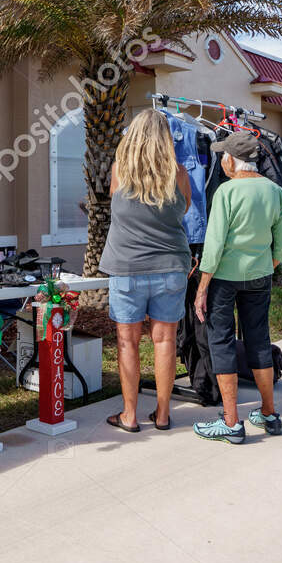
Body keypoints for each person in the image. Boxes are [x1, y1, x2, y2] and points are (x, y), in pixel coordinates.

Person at [193, 130, 282, 442]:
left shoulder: (227, 192)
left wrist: (202, 287)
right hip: (260, 276)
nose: (222, 160)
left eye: (224, 155)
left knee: (222, 341)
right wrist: (263, 266)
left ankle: (232, 422)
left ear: (233, 160)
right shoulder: (275, 191)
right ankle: (269, 413)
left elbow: (214, 245)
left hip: (224, 279)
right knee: (259, 340)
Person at [99, 110, 192, 433]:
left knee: (127, 343)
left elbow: (116, 205)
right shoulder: (179, 174)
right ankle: (163, 415)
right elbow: (184, 209)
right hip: (171, 268)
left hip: (127, 268)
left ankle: (129, 415)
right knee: (165, 340)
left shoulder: (119, 171)